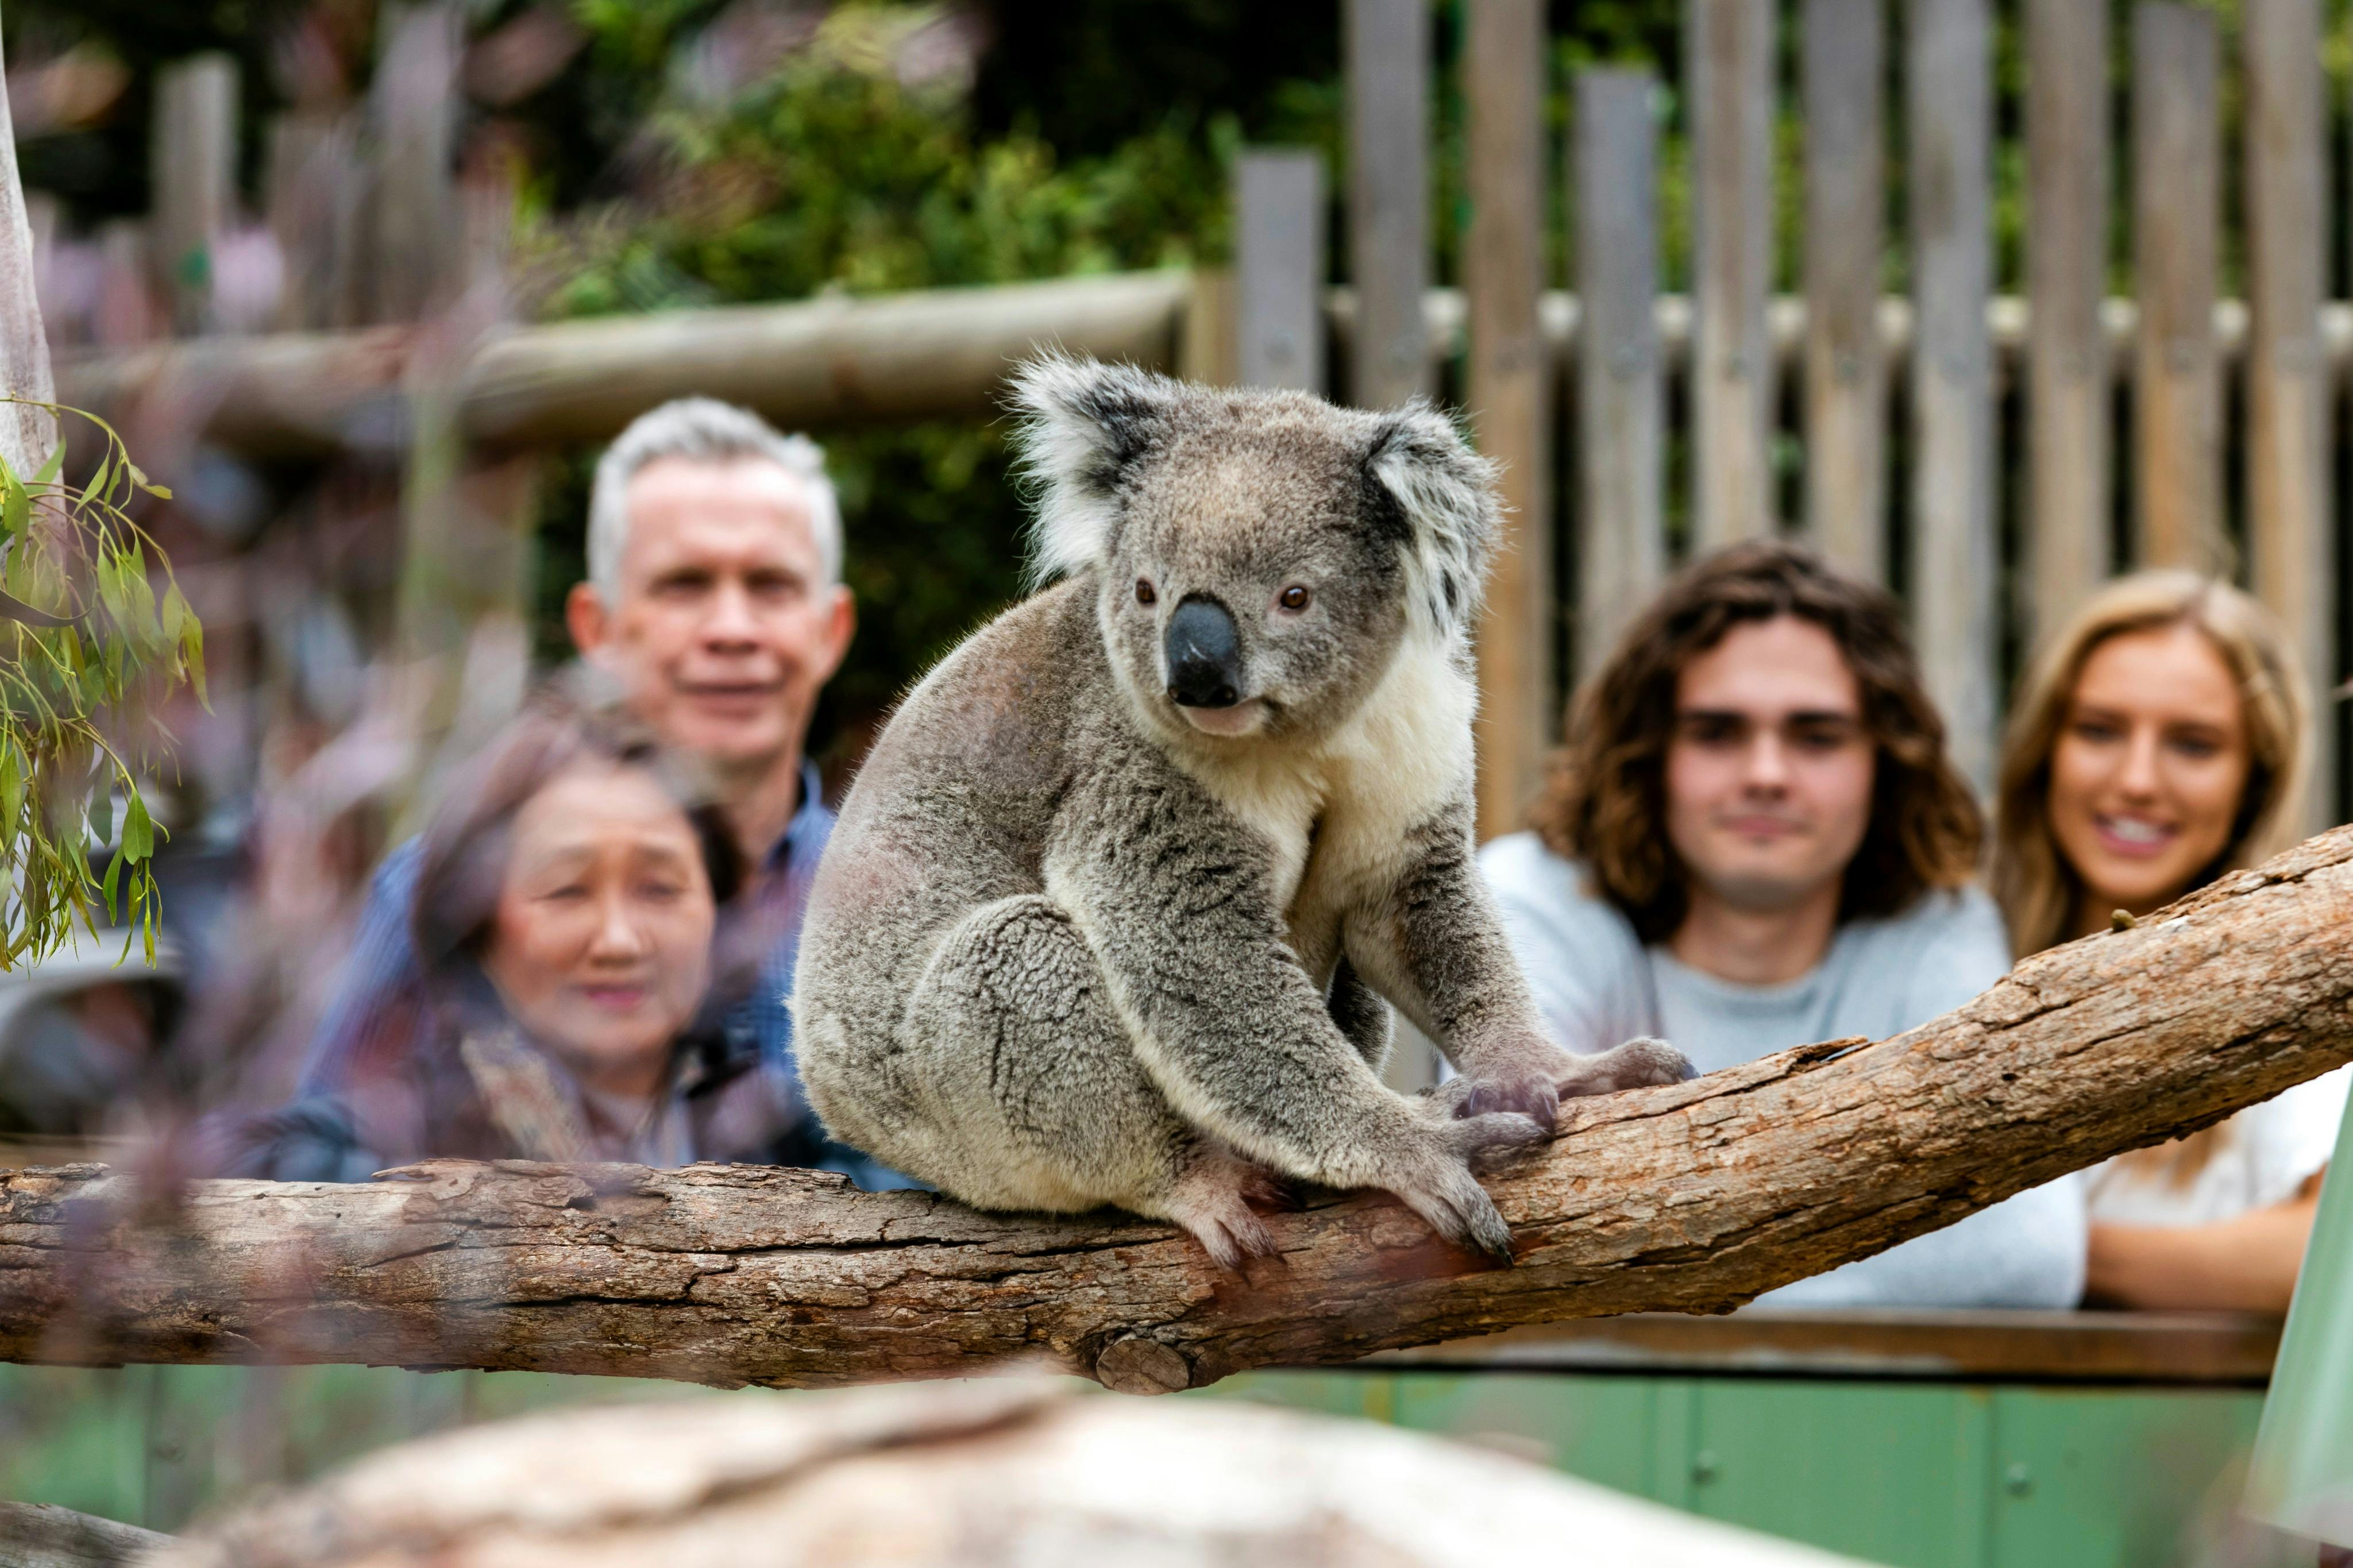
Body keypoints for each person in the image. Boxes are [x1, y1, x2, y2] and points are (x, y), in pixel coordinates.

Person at [294, 397, 910, 1183]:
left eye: (771, 585)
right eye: (684, 585)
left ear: (832, 629)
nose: (732, 628)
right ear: (597, 629)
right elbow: (309, 1181)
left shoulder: (907, 909)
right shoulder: (439, 889)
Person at [1480, 539, 2086, 1308]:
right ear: (1652, 751)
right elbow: (1512, 1205)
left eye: (1816, 736)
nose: (1766, 773)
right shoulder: (1535, 897)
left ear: (1882, 760)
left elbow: (2026, 1256)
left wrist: (1651, 1268)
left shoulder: (1937, 927)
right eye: (1717, 732)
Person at [1992, 570, 2345, 1314]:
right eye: (2099, 730)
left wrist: (2034, 1252)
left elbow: (2324, 1253)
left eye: (2193, 744)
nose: (2137, 780)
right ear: (2046, 748)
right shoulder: (1956, 952)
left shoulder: (2299, 985)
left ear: (2254, 779)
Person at [236, 698, 780, 1175]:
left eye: (660, 889)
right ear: (478, 924)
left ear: (718, 907)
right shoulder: (383, 1142)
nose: (619, 942)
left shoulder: (786, 1133)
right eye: (567, 890)